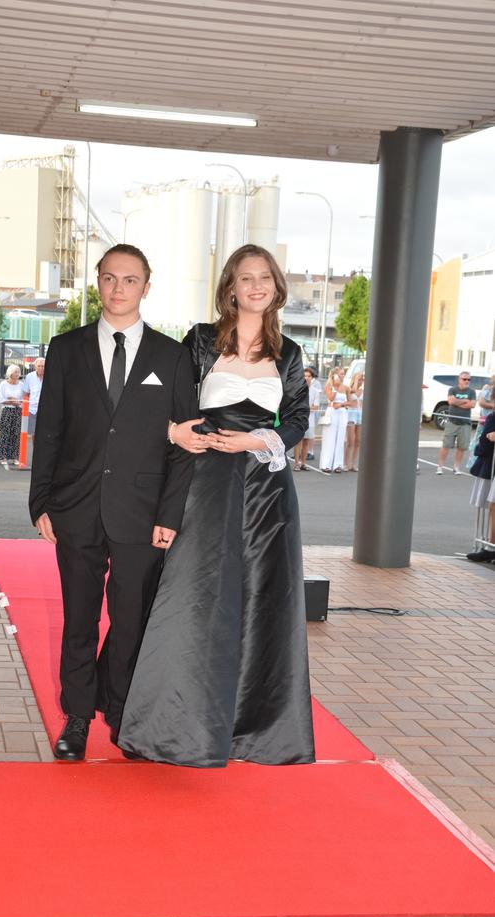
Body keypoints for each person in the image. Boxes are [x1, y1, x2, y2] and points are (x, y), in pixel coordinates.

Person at [118, 244, 315, 768]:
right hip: (206, 482)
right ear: (230, 286)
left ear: (276, 286)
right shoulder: (203, 340)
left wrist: (256, 442)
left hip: (266, 490)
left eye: (264, 278)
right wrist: (181, 436)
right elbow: (175, 406)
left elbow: (297, 419)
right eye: (245, 278)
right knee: (193, 597)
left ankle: (253, 731)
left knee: (260, 601)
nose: (255, 286)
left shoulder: (290, 352)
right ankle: (169, 727)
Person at [29, 243, 197, 762]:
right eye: (109, 278)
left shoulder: (172, 357)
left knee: (131, 622)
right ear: (97, 283)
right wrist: (41, 503)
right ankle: (77, 718)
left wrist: (169, 516)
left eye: (130, 279)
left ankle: (124, 716)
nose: (118, 288)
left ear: (147, 286)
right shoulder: (66, 348)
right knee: (78, 619)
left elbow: (184, 444)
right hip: (75, 509)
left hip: (142, 516)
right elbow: (50, 431)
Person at [466, 411, 495, 562]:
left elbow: (483, 445)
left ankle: (491, 547)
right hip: (490, 465)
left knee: (493, 507)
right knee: (492, 507)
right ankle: (490, 546)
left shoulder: (492, 417)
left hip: (490, 465)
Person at [436, 371, 476, 475]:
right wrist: (464, 401)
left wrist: (457, 402)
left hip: (465, 423)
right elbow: (451, 402)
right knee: (446, 445)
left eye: (468, 379)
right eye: (464, 379)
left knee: (461, 447)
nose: (467, 381)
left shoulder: (472, 392)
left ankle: (456, 467)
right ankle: (440, 467)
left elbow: (472, 405)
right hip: (452, 422)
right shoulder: (452, 389)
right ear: (459, 379)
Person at [319, 369, 350, 473]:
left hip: (342, 413)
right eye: (341, 374)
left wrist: (341, 404)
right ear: (335, 375)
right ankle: (326, 464)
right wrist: (335, 388)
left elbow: (351, 403)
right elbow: (331, 398)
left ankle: (338, 465)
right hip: (332, 413)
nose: (343, 375)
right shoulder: (329, 386)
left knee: (340, 439)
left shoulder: (346, 387)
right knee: (330, 438)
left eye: (343, 374)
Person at [0, 364, 24, 464]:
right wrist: (12, 401)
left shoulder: (21, 385)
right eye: (15, 372)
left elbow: (23, 400)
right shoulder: (3, 384)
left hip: (18, 411)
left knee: (16, 434)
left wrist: (15, 401)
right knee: (5, 433)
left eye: (18, 372)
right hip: (7, 410)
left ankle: (15, 457)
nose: (17, 374)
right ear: (10, 373)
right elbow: (0, 399)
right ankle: (3, 456)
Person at [293, 365, 320, 470]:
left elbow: (316, 407)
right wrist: (307, 408)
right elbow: (296, 405)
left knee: (306, 442)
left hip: (310, 421)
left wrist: (306, 408)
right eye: (304, 376)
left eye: (309, 376)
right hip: (299, 420)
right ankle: (296, 463)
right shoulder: (298, 390)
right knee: (298, 442)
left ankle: (303, 463)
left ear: (312, 378)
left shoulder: (315, 391)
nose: (306, 378)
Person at [344, 371, 364, 472]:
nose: (361, 381)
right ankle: (346, 463)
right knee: (350, 440)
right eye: (359, 379)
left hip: (360, 414)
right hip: (351, 414)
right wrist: (356, 379)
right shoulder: (350, 389)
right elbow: (354, 390)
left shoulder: (362, 390)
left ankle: (354, 463)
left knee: (358, 441)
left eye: (362, 379)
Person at [22, 357, 45, 442]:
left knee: (44, 433)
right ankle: (36, 453)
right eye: (39, 366)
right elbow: (26, 393)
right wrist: (26, 409)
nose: (41, 368)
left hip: (45, 410)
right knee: (34, 433)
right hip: (32, 410)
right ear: (35, 366)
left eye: (43, 366)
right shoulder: (30, 376)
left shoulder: (51, 376)